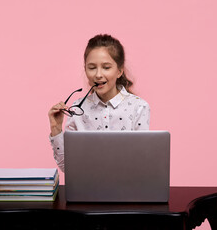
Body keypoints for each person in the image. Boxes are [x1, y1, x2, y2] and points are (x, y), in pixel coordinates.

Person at [48, 34, 150, 172]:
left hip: (127, 190)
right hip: (86, 190)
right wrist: (56, 128)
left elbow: (141, 162)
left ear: (119, 71)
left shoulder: (139, 107)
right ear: (85, 70)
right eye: (92, 67)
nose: (98, 74)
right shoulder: (77, 110)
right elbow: (68, 167)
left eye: (106, 67)